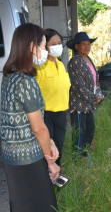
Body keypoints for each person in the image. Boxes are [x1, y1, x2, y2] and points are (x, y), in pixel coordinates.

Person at [1, 23, 60, 211]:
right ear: (32, 47)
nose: (45, 51)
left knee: (21, 204)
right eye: (43, 46)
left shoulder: (10, 75)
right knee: (42, 205)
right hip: (28, 158)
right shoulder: (26, 81)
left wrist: (49, 141)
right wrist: (51, 162)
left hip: (11, 157)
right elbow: (38, 128)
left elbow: (23, 120)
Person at [36, 29, 70, 165]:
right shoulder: (39, 66)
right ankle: (46, 180)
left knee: (59, 147)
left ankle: (56, 178)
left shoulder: (61, 65)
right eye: (53, 43)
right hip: (46, 114)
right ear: (45, 46)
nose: (57, 46)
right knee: (48, 150)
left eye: (59, 43)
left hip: (61, 114)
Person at [66, 32, 104, 157]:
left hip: (89, 103)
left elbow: (95, 81)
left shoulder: (88, 59)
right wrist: (93, 98)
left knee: (90, 130)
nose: (87, 47)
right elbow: (78, 86)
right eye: (84, 44)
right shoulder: (74, 61)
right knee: (79, 132)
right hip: (79, 104)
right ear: (77, 46)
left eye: (89, 44)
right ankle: (77, 157)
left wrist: (98, 95)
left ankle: (85, 154)